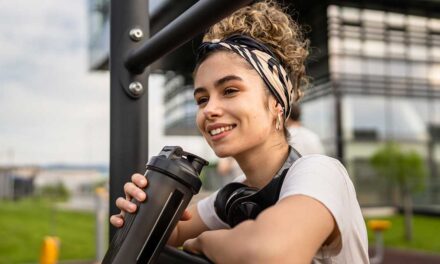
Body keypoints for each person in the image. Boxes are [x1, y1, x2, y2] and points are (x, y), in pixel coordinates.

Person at [110, 1, 369, 263]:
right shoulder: (234, 197)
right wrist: (142, 210)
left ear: (277, 104)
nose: (209, 109)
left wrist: (204, 242)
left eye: (230, 90)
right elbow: (173, 233)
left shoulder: (319, 172)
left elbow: (270, 253)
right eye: (201, 99)